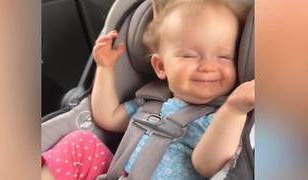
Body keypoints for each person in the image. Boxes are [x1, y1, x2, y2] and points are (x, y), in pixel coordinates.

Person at [42, 0, 254, 179]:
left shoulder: (221, 121)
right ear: (161, 67)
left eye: (224, 57)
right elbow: (107, 117)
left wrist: (234, 110)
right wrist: (106, 69)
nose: (208, 66)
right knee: (81, 141)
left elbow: (207, 165)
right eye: (189, 55)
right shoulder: (150, 102)